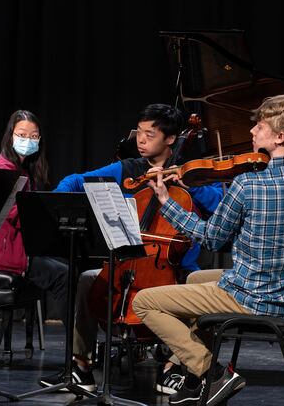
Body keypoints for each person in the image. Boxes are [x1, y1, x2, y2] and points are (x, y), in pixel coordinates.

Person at [133, 94, 284, 405]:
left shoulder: (249, 185)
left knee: (144, 301)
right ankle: (194, 379)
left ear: (279, 137)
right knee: (193, 280)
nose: (252, 131)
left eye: (260, 126)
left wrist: (165, 201)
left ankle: (211, 374)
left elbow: (210, 238)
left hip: (250, 296)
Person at [39, 103, 223, 394]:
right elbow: (75, 181)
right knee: (88, 279)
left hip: (175, 265)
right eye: (139, 132)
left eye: (150, 135)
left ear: (171, 139)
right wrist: (57, 200)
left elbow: (220, 203)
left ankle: (174, 366)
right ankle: (81, 367)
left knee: (202, 293)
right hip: (129, 261)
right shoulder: (129, 169)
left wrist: (189, 184)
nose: (141, 140)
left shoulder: (191, 173)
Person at [0, 110, 69, 322]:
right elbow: (15, 214)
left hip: (13, 246)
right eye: (22, 134)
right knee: (64, 275)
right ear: (10, 136)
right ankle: (75, 349)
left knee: (65, 265)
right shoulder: (1, 169)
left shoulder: (23, 170)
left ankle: (78, 344)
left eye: (33, 136)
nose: (28, 140)